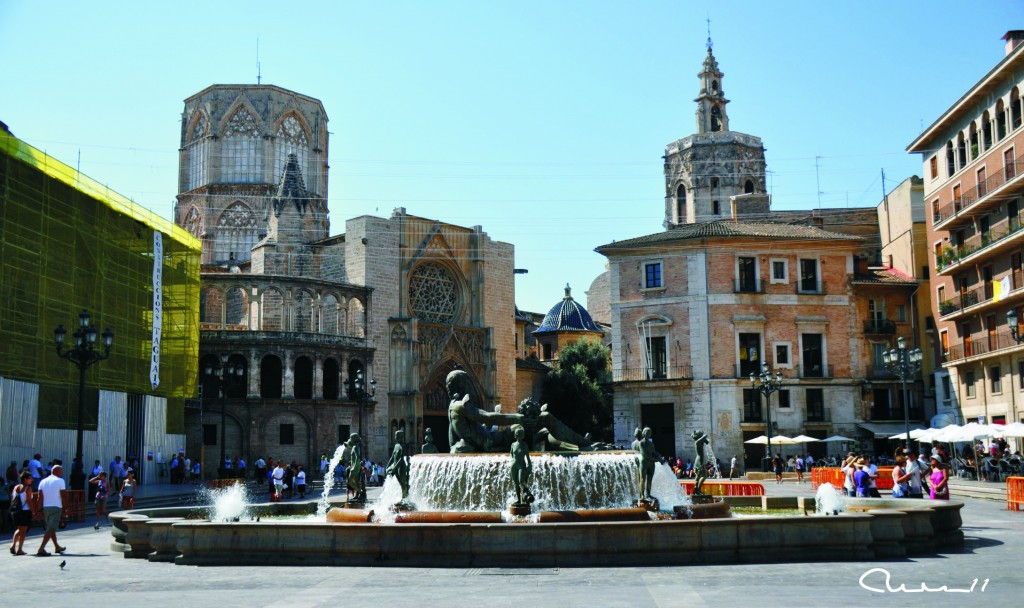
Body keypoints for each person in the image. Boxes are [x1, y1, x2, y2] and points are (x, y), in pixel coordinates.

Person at [35, 463, 66, 556]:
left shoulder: (43, 481)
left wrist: (39, 509)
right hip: (56, 507)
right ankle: (41, 548)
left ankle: (57, 546)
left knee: (50, 527)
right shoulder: (60, 481)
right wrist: (66, 508)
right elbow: (63, 495)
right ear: (57, 471)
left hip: (46, 507)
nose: (62, 473)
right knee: (51, 528)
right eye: (61, 471)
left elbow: (39, 497)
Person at [8, 471, 33, 555]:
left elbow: (12, 499)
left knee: (19, 529)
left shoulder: (15, 487)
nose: (31, 480)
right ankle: (19, 549)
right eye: (30, 478)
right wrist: (33, 511)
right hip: (24, 511)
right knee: (23, 531)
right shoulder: (28, 489)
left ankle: (13, 545)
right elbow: (29, 501)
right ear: (25, 479)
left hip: (15, 511)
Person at [509, 424, 533, 506]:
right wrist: (512, 460)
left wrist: (529, 466)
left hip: (521, 465)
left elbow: (527, 457)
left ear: (523, 436)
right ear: (515, 435)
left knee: (521, 481)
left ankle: (527, 490)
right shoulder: (513, 444)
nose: (518, 436)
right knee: (516, 483)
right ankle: (519, 500)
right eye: (517, 434)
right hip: (514, 466)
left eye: (520, 435)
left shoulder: (524, 445)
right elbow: (511, 454)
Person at [387, 429, 411, 500]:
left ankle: (404, 498)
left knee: (403, 483)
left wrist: (394, 469)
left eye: (396, 435)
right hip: (396, 466)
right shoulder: (396, 445)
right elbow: (392, 456)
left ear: (400, 437)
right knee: (400, 483)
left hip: (401, 467)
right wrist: (388, 466)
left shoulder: (402, 446)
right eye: (395, 435)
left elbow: (401, 459)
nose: (395, 437)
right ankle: (404, 497)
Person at [638, 427, 659, 500]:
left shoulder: (651, 443)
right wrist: (655, 459)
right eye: (647, 432)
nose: (648, 434)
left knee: (650, 479)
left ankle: (648, 494)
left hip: (651, 463)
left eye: (649, 432)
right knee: (643, 479)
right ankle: (642, 495)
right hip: (644, 463)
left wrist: (659, 457)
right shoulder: (641, 443)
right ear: (643, 433)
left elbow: (654, 452)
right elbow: (644, 454)